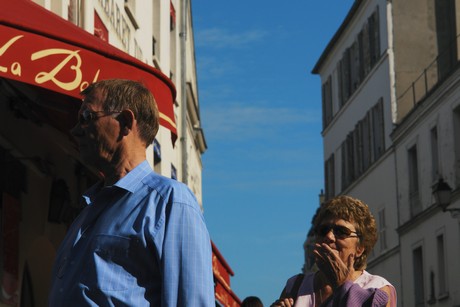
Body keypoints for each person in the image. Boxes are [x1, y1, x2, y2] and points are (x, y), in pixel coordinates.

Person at [48, 79, 215, 306]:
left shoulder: (169, 201)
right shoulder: (89, 209)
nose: (76, 130)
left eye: (87, 117)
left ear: (125, 122)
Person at [271, 195, 396, 307]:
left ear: (360, 248)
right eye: (323, 230)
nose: (329, 237)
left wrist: (342, 285)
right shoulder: (296, 286)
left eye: (341, 232)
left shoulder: (378, 289)